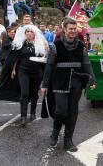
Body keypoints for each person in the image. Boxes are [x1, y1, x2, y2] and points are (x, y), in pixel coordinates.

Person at [41, 18, 96, 152]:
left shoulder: (81, 46)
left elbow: (86, 64)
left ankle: (68, 139)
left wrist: (92, 79)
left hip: (76, 82)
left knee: (72, 111)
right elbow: (49, 66)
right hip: (59, 81)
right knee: (60, 110)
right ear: (64, 30)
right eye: (70, 28)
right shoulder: (55, 46)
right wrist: (45, 84)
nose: (73, 31)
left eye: (74, 28)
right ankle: (55, 131)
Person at [10, 25, 49, 127]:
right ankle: (23, 117)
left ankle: (32, 113)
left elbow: (45, 58)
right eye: (27, 31)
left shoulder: (40, 44)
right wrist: (13, 69)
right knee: (24, 93)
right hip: (23, 71)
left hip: (36, 72)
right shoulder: (20, 44)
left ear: (34, 34)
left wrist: (46, 49)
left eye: (31, 32)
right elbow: (16, 57)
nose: (28, 33)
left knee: (34, 93)